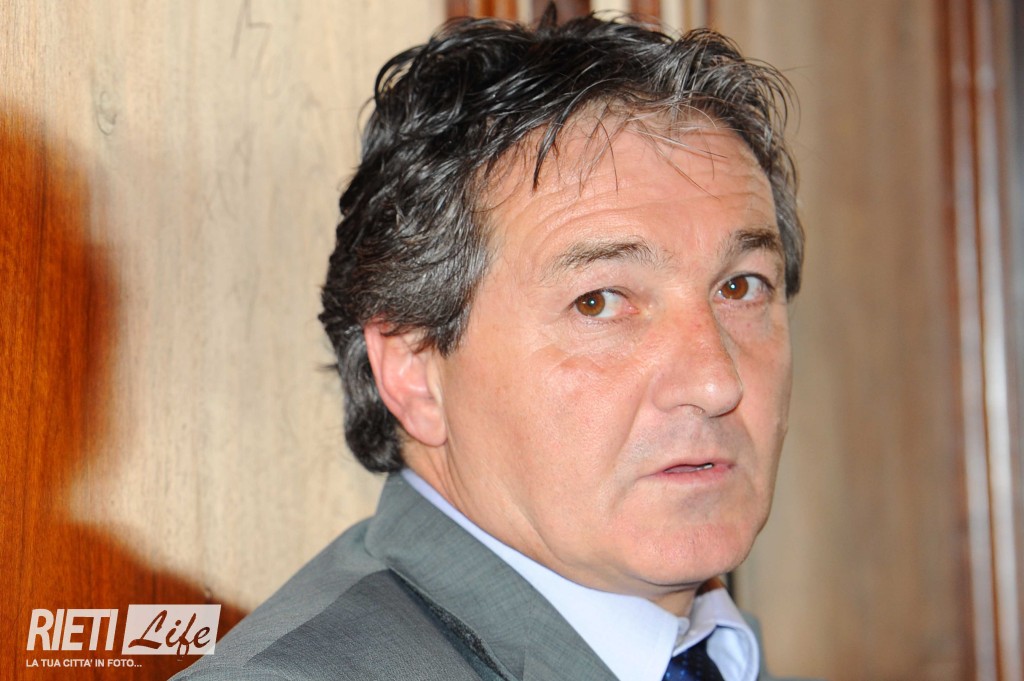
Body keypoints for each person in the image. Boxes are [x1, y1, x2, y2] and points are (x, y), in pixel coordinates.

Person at [174, 7, 809, 681]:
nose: (716, 381)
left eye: (741, 287)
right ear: (415, 370)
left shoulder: (722, 655)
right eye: (599, 301)